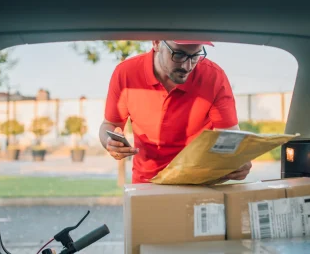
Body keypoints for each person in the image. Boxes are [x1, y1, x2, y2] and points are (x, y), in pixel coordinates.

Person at [99, 40, 252, 184]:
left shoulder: (214, 77)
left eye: (195, 55)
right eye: (178, 55)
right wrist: (110, 142)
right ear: (157, 43)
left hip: (198, 182)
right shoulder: (126, 73)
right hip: (147, 182)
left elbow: (230, 136)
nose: (187, 66)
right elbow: (110, 124)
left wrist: (238, 160)